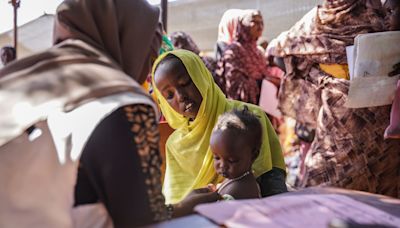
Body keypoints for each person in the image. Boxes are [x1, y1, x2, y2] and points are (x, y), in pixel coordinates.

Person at [0, 0, 218, 227]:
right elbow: (143, 220)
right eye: (149, 55)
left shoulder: (16, 82)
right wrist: (185, 207)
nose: (146, 75)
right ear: (127, 42)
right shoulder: (122, 103)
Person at [267, 0, 400, 197]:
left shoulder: (379, 13)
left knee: (370, 174)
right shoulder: (323, 18)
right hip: (350, 113)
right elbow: (278, 52)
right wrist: (321, 78)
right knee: (334, 171)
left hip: (372, 115)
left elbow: (279, 52)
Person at [151, 49, 287, 204]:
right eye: (169, 95)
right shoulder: (175, 145)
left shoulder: (249, 117)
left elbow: (272, 180)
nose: (181, 96)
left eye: (185, 83)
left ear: (201, 76)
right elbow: (174, 199)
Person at [216, 10, 280, 105]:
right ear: (244, 26)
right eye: (255, 22)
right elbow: (235, 87)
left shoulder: (257, 51)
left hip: (266, 106)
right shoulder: (234, 50)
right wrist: (263, 82)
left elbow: (264, 74)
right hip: (246, 110)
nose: (260, 26)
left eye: (261, 22)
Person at [209, 107, 262, 200]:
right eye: (216, 158)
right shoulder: (237, 177)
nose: (222, 165)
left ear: (254, 155)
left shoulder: (239, 190)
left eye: (231, 160)